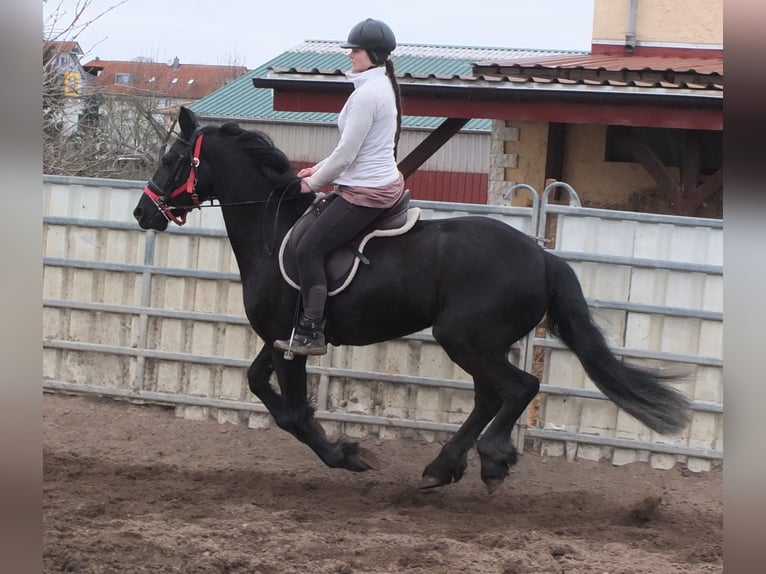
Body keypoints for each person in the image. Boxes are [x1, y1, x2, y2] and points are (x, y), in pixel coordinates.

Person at [274, 18, 405, 356]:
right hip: (363, 182)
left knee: (308, 249)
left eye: (355, 50)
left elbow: (347, 154)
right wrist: (317, 169)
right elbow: (351, 149)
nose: (350, 55)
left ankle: (312, 330)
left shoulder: (368, 94)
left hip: (367, 191)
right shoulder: (375, 87)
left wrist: (313, 185)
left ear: (372, 54)